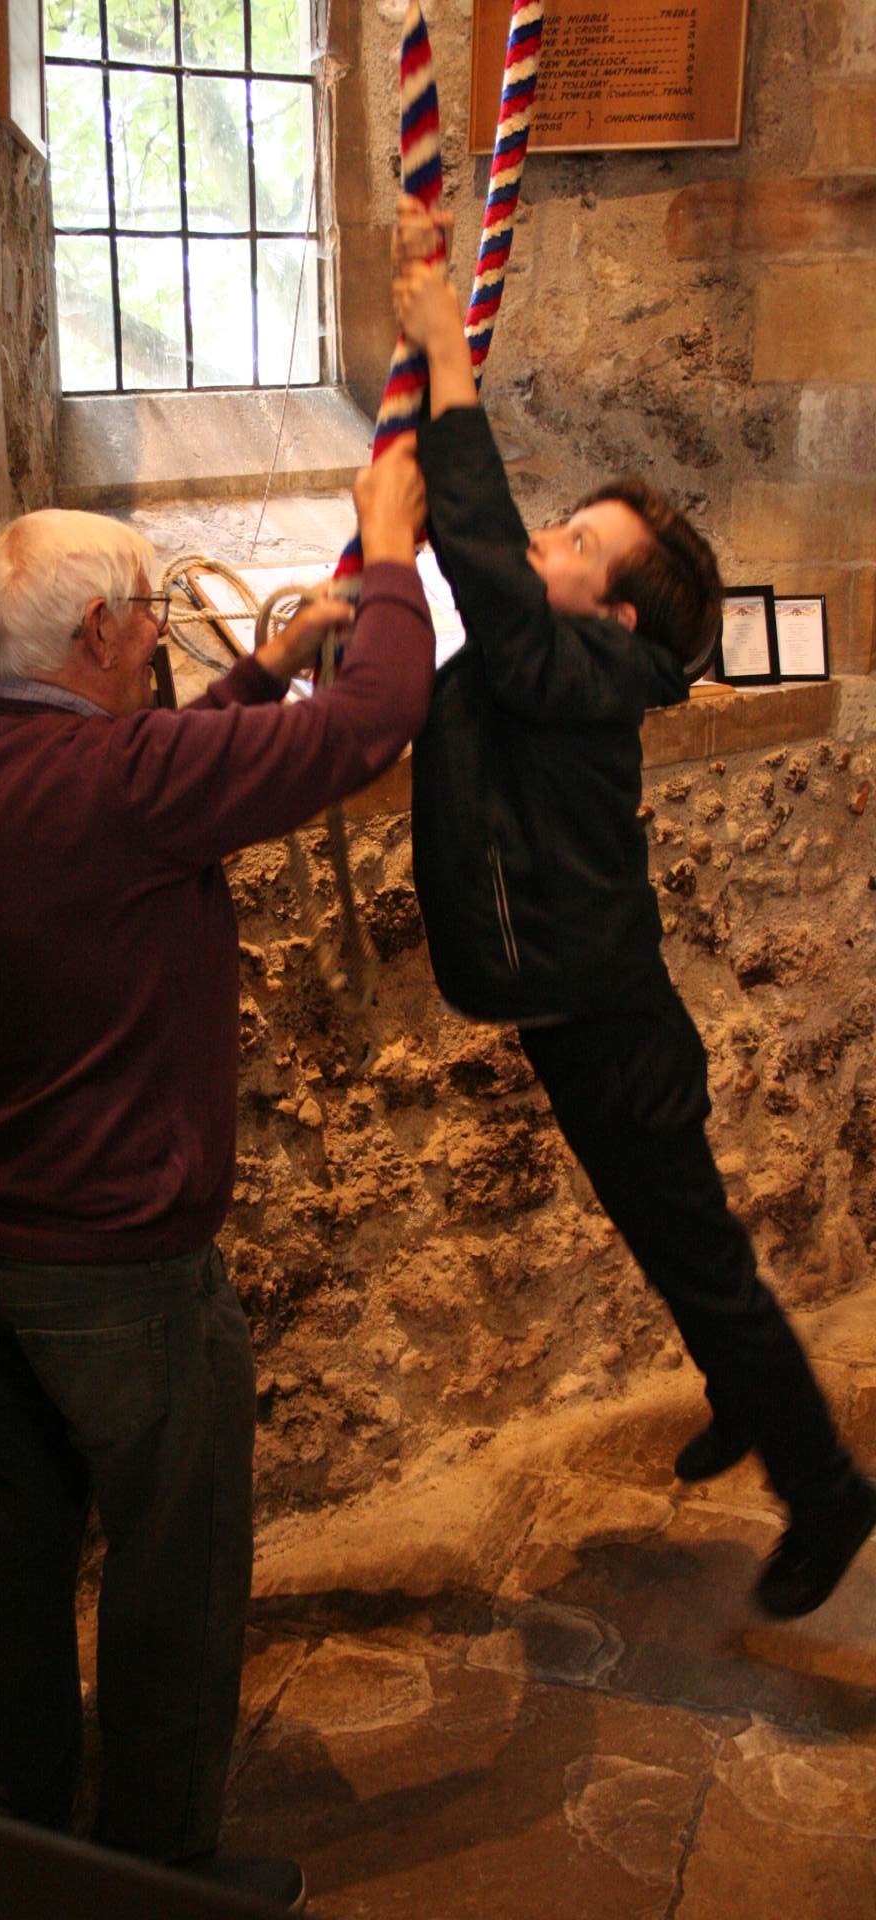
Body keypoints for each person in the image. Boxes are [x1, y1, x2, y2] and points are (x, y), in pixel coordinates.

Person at [0, 449, 434, 1910]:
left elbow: (149, 785)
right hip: (116, 1263)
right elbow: (377, 721)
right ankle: (161, 1861)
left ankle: (13, 1806)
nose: (158, 631)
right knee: (175, 1559)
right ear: (96, 634)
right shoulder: (125, 783)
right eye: (146, 611)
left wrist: (265, 665)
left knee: (23, 1539)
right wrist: (393, 551)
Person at [392, 196, 876, 1620]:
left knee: (701, 1261)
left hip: (613, 1030)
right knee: (669, 1237)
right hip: (590, 1017)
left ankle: (827, 1490)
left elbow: (487, 574)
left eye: (569, 543)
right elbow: (481, 605)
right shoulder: (563, 667)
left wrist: (449, 365)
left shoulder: (585, 673)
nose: (541, 544)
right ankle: (743, 1393)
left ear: (612, 621)